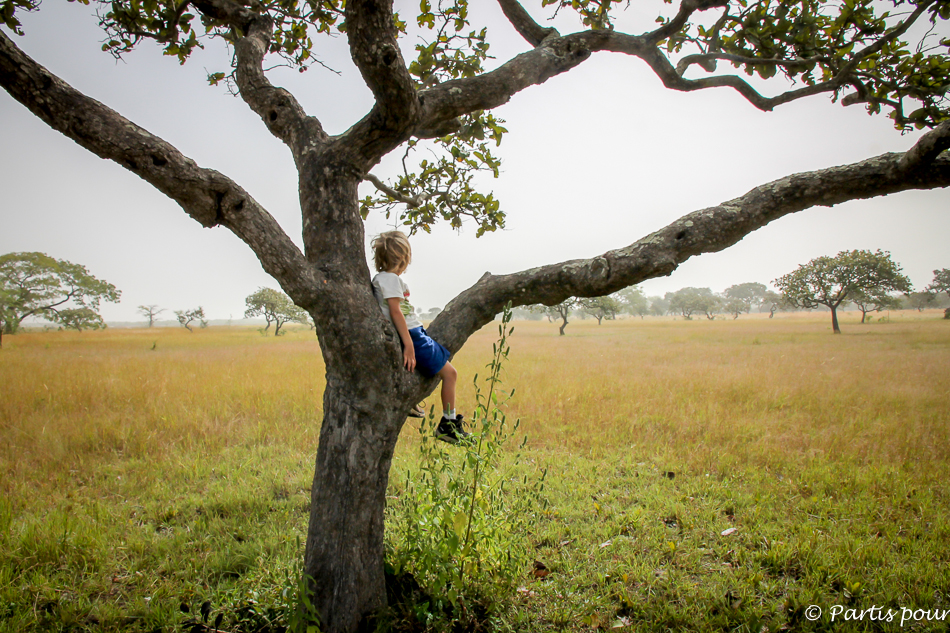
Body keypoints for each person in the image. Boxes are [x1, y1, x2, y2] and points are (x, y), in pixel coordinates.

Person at [371, 230, 470, 444]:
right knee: (450, 374)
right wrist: (408, 345)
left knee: (436, 367)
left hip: (416, 333)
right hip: (413, 336)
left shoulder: (384, 278)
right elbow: (396, 312)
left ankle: (412, 402)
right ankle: (448, 425)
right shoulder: (390, 279)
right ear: (404, 258)